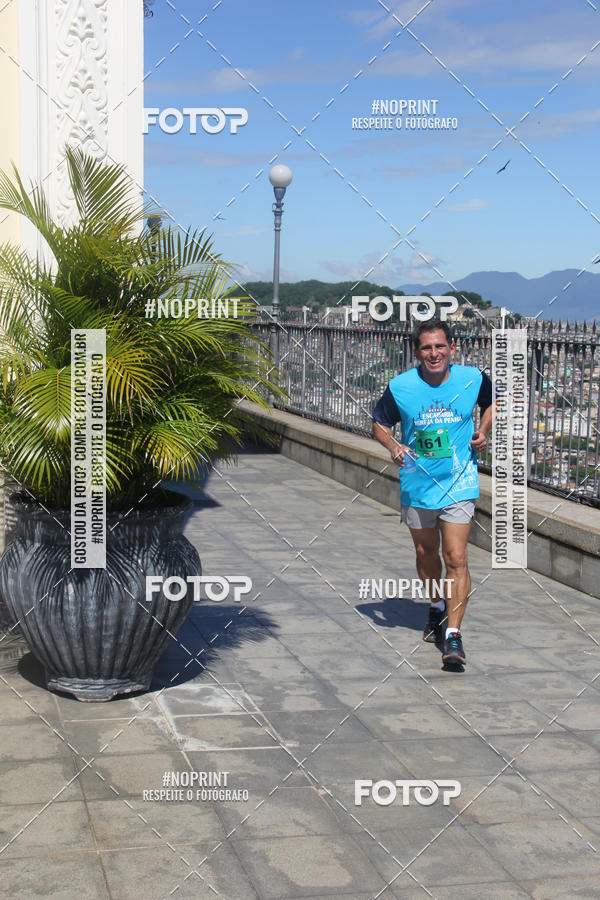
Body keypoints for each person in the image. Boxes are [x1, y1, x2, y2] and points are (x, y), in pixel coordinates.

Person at [372, 319, 493, 666]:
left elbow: (492, 402)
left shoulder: (472, 378)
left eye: (440, 346)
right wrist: (393, 445)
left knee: (456, 558)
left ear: (452, 349)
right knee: (427, 555)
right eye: (427, 348)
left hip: (459, 481)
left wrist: (483, 430)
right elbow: (379, 423)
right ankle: (436, 606)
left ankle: (453, 636)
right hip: (418, 484)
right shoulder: (401, 386)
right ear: (417, 352)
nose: (434, 353)